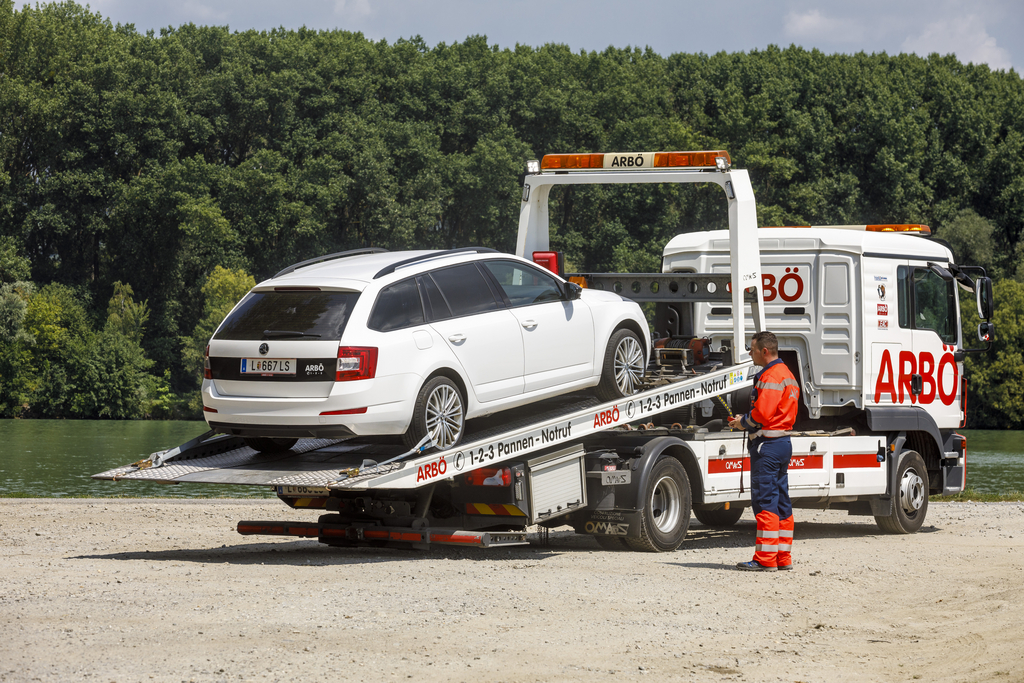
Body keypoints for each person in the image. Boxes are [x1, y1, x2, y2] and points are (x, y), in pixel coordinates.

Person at [727, 331, 800, 571]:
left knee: (765, 501)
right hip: (782, 443)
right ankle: (782, 558)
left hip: (766, 446)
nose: (750, 353)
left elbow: (762, 415)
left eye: (752, 349)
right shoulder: (788, 374)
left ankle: (765, 559)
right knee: (781, 502)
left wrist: (741, 423)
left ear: (764, 351)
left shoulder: (769, 376)